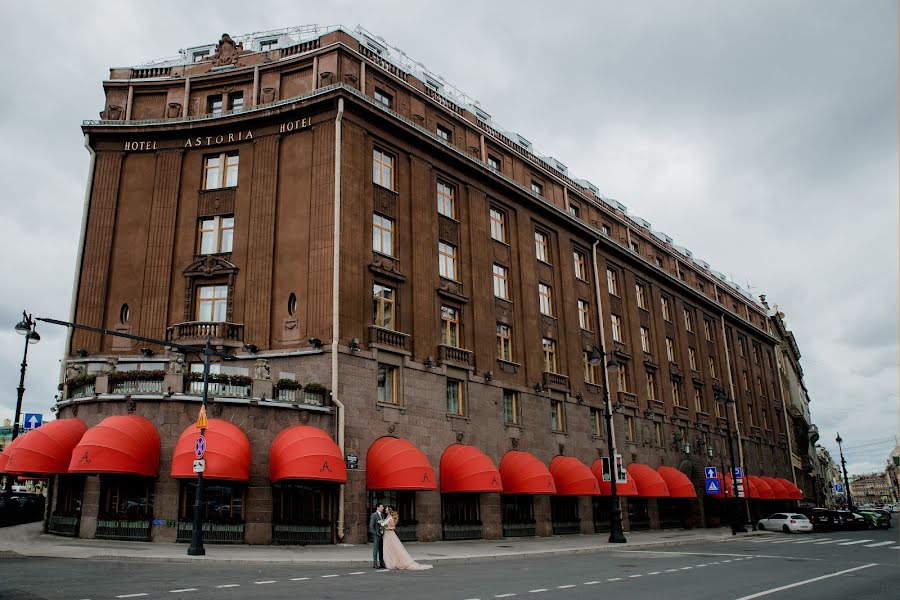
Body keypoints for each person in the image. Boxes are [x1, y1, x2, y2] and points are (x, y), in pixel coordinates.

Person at [369, 503, 387, 569]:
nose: (383, 508)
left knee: (381, 550)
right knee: (375, 550)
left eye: (383, 507)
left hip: (382, 535)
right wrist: (375, 533)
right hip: (377, 535)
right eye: (382, 507)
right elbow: (371, 526)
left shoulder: (382, 515)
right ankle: (375, 563)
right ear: (378, 507)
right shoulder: (374, 515)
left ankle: (381, 563)